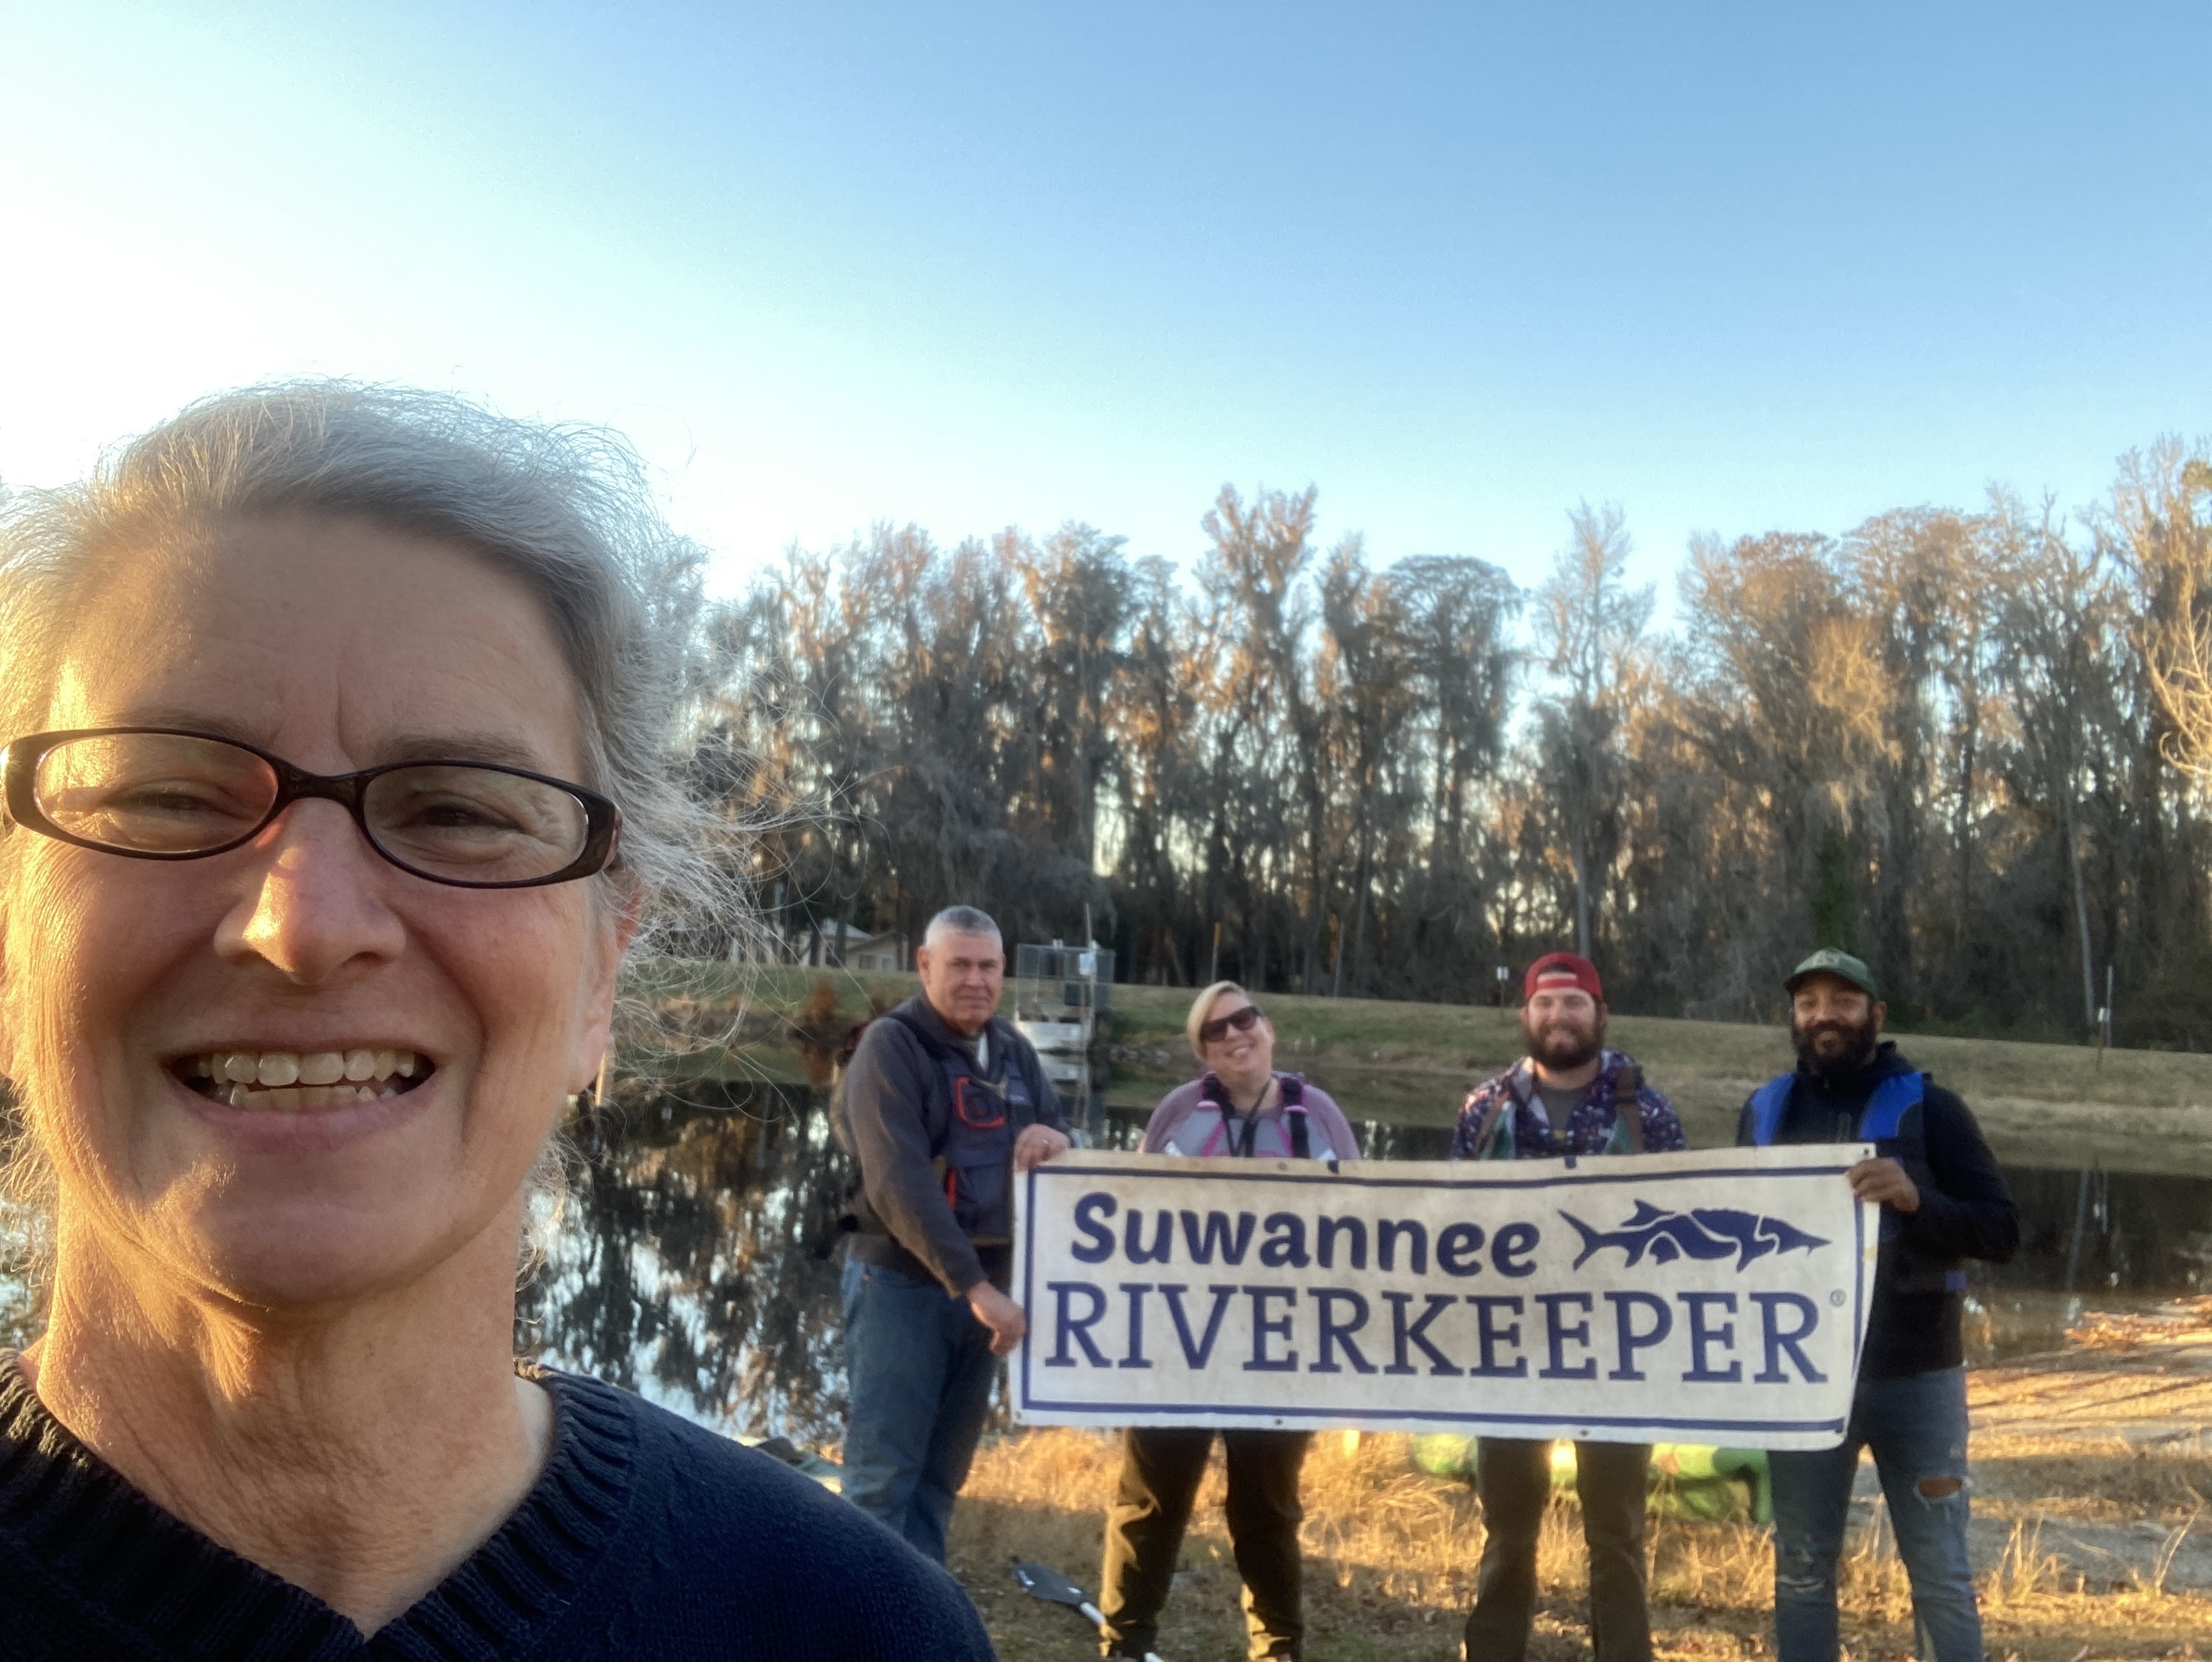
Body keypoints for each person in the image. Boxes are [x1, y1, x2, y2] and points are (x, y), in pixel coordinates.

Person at [0, 385, 993, 1660]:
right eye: (166, 796)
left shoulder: (854, 1631)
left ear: (601, 974)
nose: (302, 928)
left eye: (459, 811)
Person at [1738, 948, 2018, 1662]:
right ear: (1794, 1016)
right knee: (1800, 1574)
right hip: (1801, 1384)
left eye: (1842, 1000)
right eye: (1808, 1003)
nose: (1823, 1015)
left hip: (1917, 1380)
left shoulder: (1932, 1109)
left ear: (1875, 1014)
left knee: (1941, 1577)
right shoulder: (1762, 1112)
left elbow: (2000, 1229)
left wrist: (1915, 1198)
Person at [1094, 980, 1362, 1661]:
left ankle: (1277, 1647)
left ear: (1269, 1029)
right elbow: (1132, 1214)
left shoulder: (1319, 1114)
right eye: (1216, 1030)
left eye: (1245, 1019)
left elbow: (1368, 1225)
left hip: (1282, 1346)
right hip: (1179, 1341)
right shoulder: (1178, 1114)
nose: (1235, 1034)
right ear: (1202, 1051)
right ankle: (1124, 1644)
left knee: (1267, 1511)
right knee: (1151, 1503)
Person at [1449, 951, 1684, 1662]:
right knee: (1507, 1529)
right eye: (1545, 1003)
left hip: (1615, 1354)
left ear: (1599, 1012)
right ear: (1525, 1014)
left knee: (1615, 1533)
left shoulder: (1645, 1111)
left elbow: (1680, 1229)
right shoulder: (1482, 1108)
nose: (1559, 1017)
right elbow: (1446, 1230)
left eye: (1574, 1003)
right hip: (1508, 1351)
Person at [835, 903, 1072, 1561]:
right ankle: (866, 1632)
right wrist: (973, 1285)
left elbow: (1060, 1143)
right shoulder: (889, 1046)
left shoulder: (1015, 1051)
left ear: (1004, 972)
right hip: (902, 1286)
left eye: (988, 966)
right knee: (882, 1483)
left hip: (987, 1298)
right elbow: (896, 1179)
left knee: (941, 1483)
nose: (976, 980)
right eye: (960, 964)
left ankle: (920, 1620)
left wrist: (1058, 1138)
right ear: (925, 964)